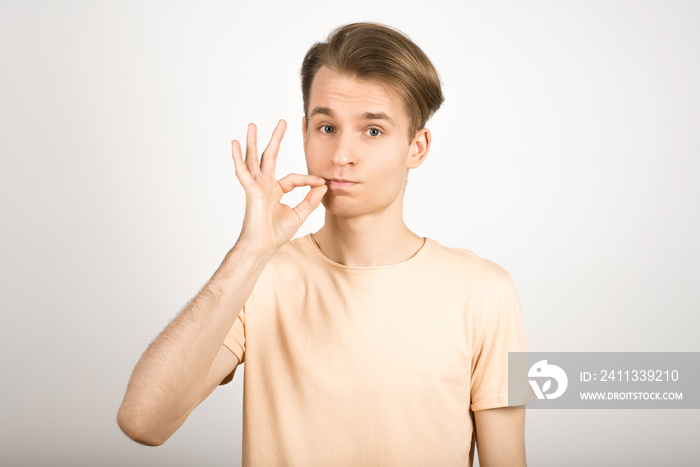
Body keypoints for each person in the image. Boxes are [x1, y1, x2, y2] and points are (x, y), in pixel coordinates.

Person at [117, 22, 534, 466]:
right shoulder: (259, 279)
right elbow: (143, 422)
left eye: (372, 131)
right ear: (305, 133)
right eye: (326, 127)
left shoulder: (489, 293)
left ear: (417, 146)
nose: (341, 155)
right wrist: (250, 253)